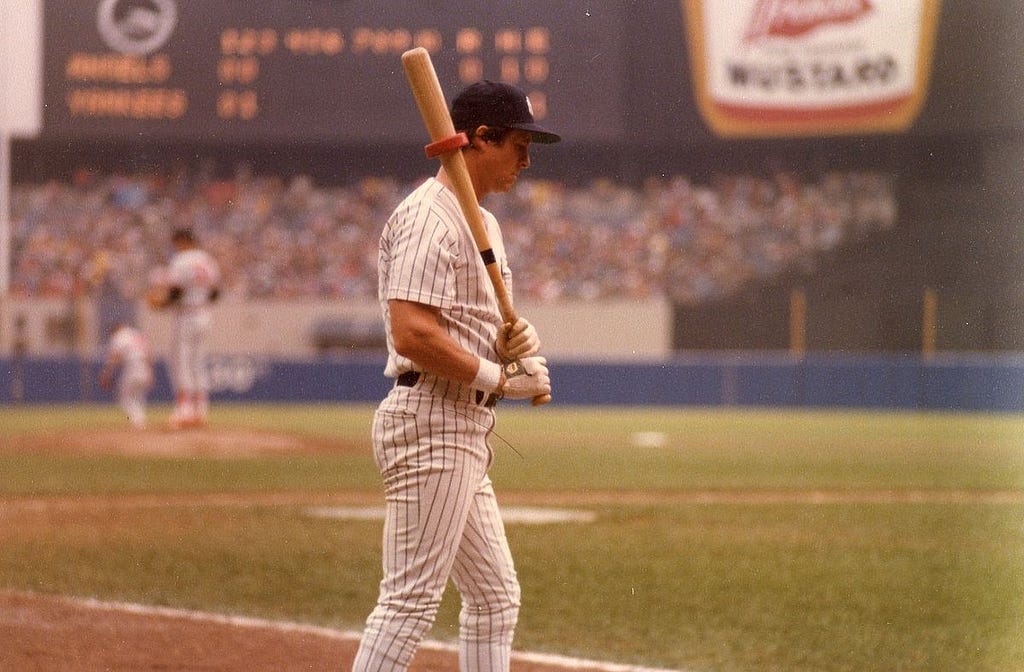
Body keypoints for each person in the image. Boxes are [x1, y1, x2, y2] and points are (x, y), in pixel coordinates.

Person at [352, 81, 559, 672]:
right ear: (481, 139)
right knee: (409, 604)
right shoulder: (426, 216)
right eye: (518, 144)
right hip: (432, 421)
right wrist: (500, 377)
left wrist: (513, 346)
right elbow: (411, 332)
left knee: (495, 599)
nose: (527, 160)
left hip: (463, 424)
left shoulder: (484, 225)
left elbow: (466, 327)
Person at [162, 227, 221, 429]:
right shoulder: (207, 259)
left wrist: (162, 302)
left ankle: (184, 411)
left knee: (181, 362)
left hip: (186, 315)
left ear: (182, 240)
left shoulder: (181, 259)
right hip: (204, 314)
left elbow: (175, 291)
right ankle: (201, 410)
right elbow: (215, 292)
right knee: (198, 362)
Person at [98, 322, 153, 429]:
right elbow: (148, 352)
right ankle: (140, 422)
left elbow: (115, 355)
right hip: (144, 366)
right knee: (138, 397)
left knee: (123, 397)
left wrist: (106, 374)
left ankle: (138, 421)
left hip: (132, 366)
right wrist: (150, 372)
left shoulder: (119, 336)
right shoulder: (136, 334)